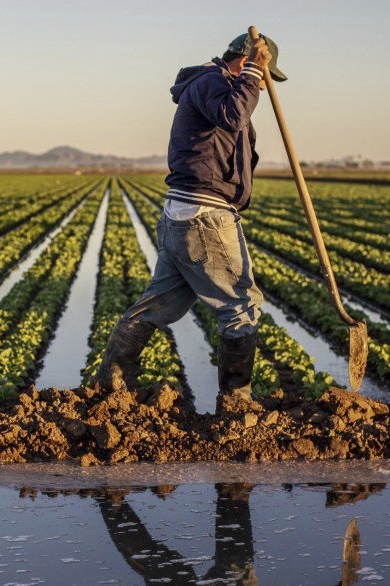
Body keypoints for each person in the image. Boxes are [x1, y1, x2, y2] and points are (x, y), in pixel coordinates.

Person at [95, 33, 287, 412]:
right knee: (241, 305)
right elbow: (234, 116)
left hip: (184, 215)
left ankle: (109, 384)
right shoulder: (211, 82)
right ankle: (236, 405)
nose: (264, 84)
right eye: (265, 74)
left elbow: (235, 135)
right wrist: (253, 70)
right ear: (244, 61)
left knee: (158, 303)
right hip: (204, 216)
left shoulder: (214, 87)